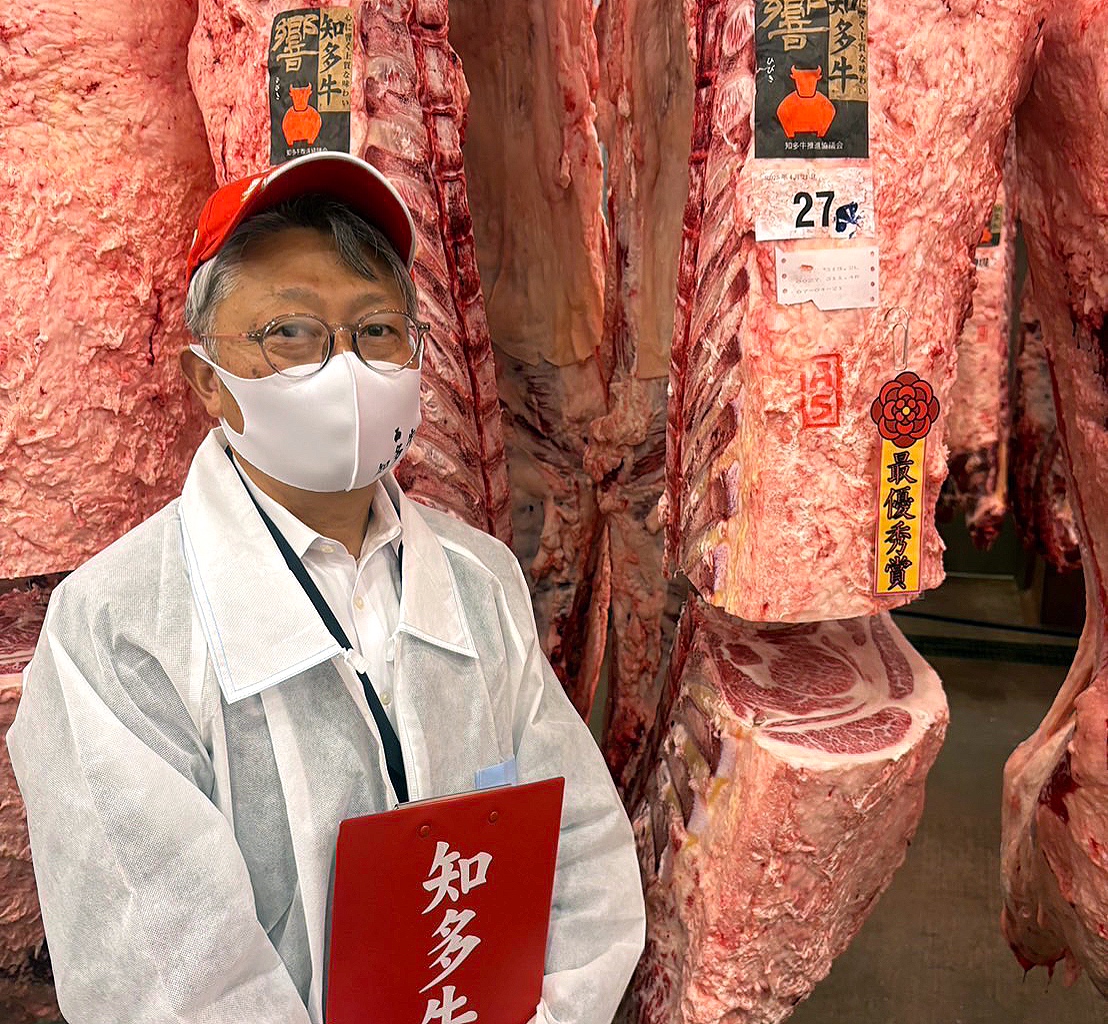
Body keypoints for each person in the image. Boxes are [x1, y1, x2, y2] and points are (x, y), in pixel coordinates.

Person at [7, 152, 645, 1024]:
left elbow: (581, 856)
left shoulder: (479, 579)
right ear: (208, 382)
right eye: (290, 333)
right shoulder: (115, 629)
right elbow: (163, 976)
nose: (346, 368)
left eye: (377, 331)